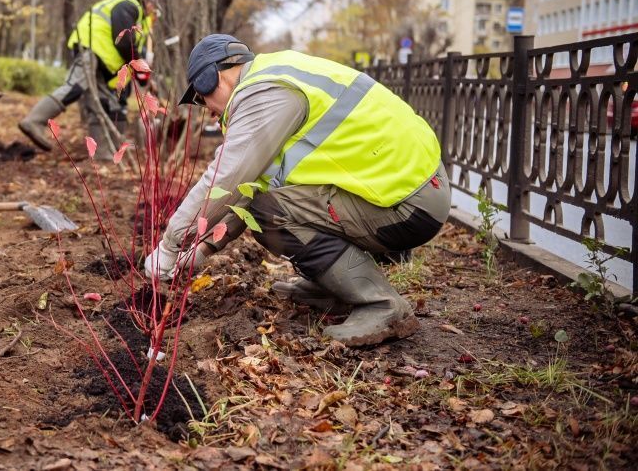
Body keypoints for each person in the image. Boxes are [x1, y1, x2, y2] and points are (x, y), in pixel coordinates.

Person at [144, 34, 451, 347]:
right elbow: (250, 187)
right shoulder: (276, 75)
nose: (206, 108)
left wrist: (170, 245)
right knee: (267, 204)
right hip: (407, 189)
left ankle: (382, 305)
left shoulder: (264, 94)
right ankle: (336, 287)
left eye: (201, 98)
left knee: (269, 214)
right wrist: (204, 249)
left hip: (405, 204)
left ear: (212, 78)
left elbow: (226, 178)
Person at [18, 0, 171, 160]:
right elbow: (125, 42)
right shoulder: (128, 4)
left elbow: (131, 46)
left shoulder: (138, 13)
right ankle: (34, 120)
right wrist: (140, 66)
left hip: (103, 56)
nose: (156, 4)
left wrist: (142, 72)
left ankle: (105, 154)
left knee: (106, 103)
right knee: (75, 87)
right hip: (90, 46)